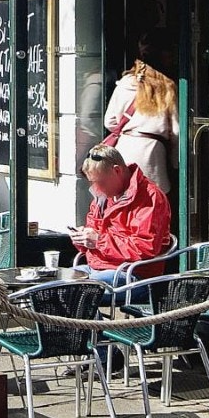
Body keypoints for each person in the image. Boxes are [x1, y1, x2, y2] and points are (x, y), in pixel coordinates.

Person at [69, 145, 171, 291]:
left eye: (101, 182)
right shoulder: (102, 196)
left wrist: (98, 240)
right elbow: (93, 235)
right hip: (98, 268)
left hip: (133, 274)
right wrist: (82, 238)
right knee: (53, 287)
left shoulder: (149, 197)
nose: (96, 189)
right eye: (92, 183)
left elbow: (145, 248)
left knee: (77, 292)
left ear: (117, 170)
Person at [102, 56, 177, 196]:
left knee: (125, 198)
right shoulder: (167, 87)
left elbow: (109, 121)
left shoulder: (124, 85)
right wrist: (175, 162)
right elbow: (176, 131)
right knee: (152, 198)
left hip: (125, 148)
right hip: (153, 151)